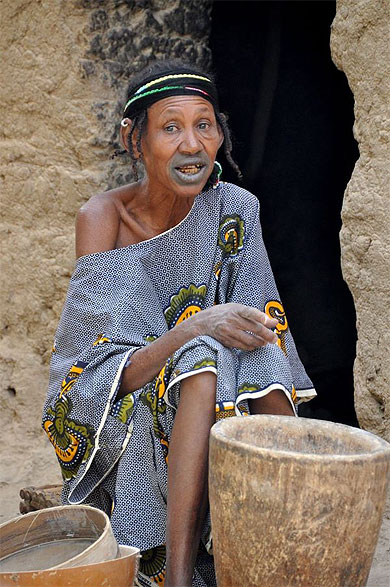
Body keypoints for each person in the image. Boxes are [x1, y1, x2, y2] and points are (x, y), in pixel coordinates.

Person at [42, 60, 316, 587]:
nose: (192, 144)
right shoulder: (104, 219)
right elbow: (101, 374)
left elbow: (266, 328)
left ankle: (288, 533)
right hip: (115, 412)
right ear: (134, 140)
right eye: (171, 127)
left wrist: (212, 333)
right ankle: (179, 576)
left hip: (220, 395)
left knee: (258, 347)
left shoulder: (236, 209)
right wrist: (194, 328)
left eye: (204, 124)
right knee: (200, 352)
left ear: (218, 135)